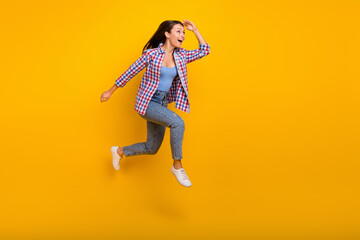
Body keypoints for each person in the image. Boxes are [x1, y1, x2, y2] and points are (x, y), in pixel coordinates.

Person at [100, 19, 210, 187]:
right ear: (167, 34)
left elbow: (205, 50)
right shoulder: (151, 55)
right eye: (178, 31)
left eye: (183, 33)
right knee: (177, 123)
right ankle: (177, 165)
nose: (182, 35)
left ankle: (119, 152)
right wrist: (110, 90)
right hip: (147, 102)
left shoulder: (182, 55)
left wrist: (195, 30)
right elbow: (130, 72)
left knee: (151, 148)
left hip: (162, 103)